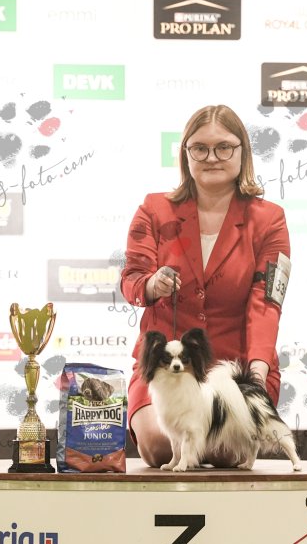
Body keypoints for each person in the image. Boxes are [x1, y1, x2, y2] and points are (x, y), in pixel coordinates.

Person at [120, 104, 291, 468]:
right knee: (161, 446)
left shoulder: (270, 219)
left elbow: (266, 303)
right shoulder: (153, 209)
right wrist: (151, 285)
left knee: (226, 450)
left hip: (234, 369)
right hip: (169, 364)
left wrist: (256, 375)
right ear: (186, 154)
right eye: (200, 148)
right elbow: (131, 279)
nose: (212, 157)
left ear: (243, 152)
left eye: (224, 147)